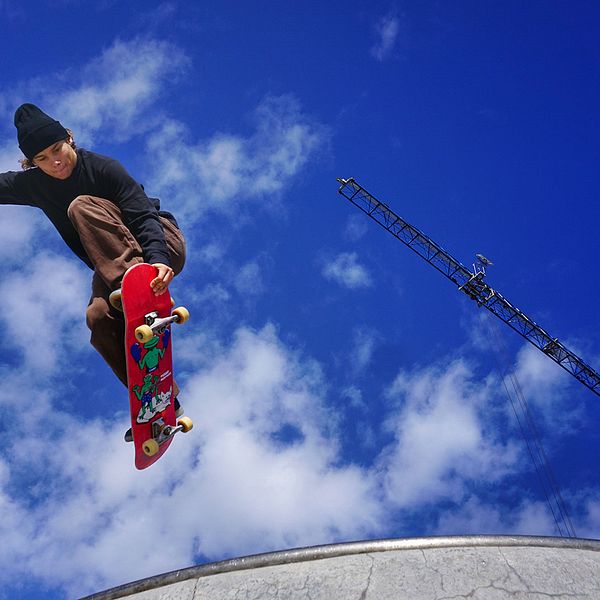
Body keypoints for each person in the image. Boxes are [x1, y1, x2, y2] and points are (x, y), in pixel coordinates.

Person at [0, 103, 186, 441]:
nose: (54, 162)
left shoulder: (102, 168)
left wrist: (158, 259)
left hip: (160, 245)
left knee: (80, 206)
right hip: (115, 267)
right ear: (31, 163)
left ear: (69, 138)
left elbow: (143, 215)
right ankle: (159, 399)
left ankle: (136, 295)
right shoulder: (35, 185)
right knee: (98, 319)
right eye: (42, 159)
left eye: (57, 149)